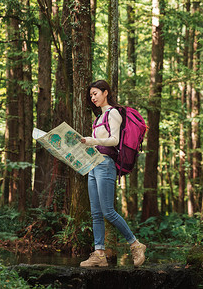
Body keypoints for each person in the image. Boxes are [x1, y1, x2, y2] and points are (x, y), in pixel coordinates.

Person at [79, 80, 146, 267]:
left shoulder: (113, 113)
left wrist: (91, 140)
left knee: (108, 210)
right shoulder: (97, 118)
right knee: (96, 213)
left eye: (95, 93)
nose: (93, 98)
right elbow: (98, 143)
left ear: (105, 92)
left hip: (106, 165)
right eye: (91, 95)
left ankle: (136, 244)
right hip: (93, 165)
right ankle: (99, 254)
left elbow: (114, 140)